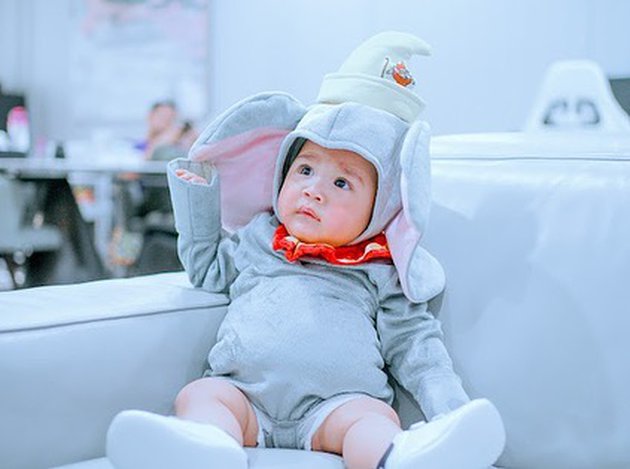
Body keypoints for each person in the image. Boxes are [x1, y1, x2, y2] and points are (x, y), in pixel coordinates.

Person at [106, 32, 505, 469]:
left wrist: (450, 412)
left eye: (342, 182)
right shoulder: (260, 236)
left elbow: (416, 348)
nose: (314, 191)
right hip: (244, 396)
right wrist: (198, 199)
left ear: (381, 204)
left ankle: (401, 459)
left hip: (337, 406)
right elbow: (207, 269)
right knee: (199, 395)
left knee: (373, 420)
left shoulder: (380, 267)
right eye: (305, 170)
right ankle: (207, 449)